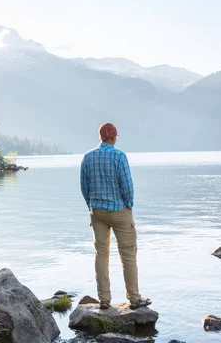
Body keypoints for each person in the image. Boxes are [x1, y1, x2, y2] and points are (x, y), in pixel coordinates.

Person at [80, 122, 152, 310]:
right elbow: (127, 186)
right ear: (113, 137)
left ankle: (104, 300)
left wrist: (92, 205)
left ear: (100, 137)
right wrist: (128, 205)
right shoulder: (119, 156)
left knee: (101, 255)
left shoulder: (88, 157)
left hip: (98, 213)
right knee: (128, 255)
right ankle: (134, 299)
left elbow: (84, 186)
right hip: (119, 211)